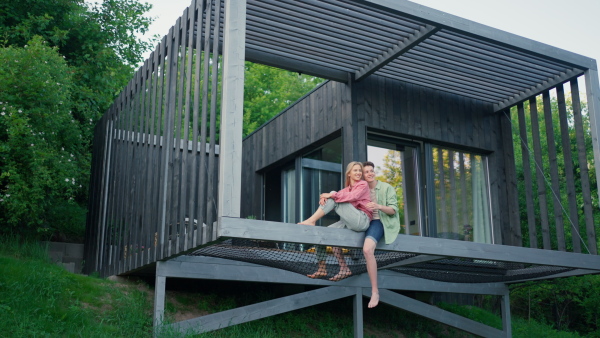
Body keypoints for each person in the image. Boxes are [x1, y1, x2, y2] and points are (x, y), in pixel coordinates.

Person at [299, 161, 373, 281]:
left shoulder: (363, 185)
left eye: (360, 170)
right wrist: (325, 197)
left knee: (334, 195)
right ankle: (329, 268)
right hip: (350, 223)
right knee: (324, 234)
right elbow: (338, 197)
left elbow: (352, 197)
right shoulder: (345, 190)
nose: (359, 173)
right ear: (349, 173)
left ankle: (311, 220)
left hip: (362, 220)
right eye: (355, 170)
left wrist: (330, 195)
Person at [362, 161, 401, 308]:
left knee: (367, 250)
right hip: (363, 222)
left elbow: (393, 210)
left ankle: (375, 291)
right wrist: (329, 194)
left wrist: (377, 206)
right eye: (366, 172)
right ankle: (342, 268)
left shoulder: (386, 187)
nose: (370, 173)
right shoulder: (361, 188)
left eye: (372, 170)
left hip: (379, 222)